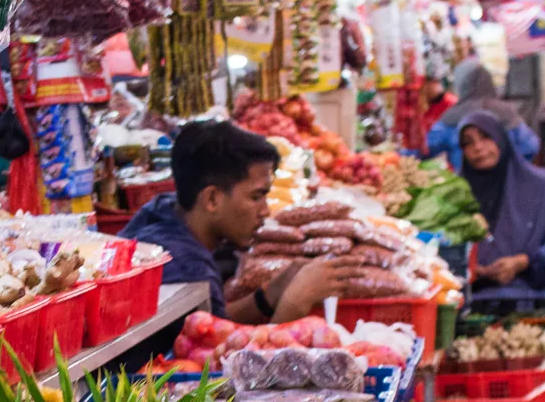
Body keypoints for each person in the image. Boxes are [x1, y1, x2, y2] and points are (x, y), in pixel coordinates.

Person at [122, 120, 364, 322]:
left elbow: (214, 323)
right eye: (256, 197)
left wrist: (269, 295)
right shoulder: (184, 266)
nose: (265, 211)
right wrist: (295, 300)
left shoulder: (165, 209)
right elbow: (223, 367)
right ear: (213, 198)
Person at [456, 108, 545, 309]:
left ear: (501, 140)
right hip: (471, 303)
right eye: (468, 143)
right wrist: (467, 269)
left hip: (529, 302)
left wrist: (522, 262)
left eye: (486, 137)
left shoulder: (541, 186)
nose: (478, 148)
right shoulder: (455, 193)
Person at [427, 58, 540, 171]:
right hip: (507, 183)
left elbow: (425, 149)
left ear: (461, 84)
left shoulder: (451, 118)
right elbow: (531, 146)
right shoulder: (506, 112)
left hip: (468, 185)